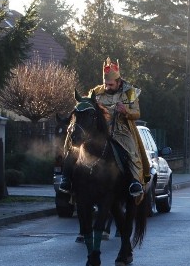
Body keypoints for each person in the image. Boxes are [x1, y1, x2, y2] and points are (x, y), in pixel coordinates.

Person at [59, 58, 150, 198]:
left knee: (132, 152)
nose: (107, 86)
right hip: (98, 130)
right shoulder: (96, 91)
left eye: (110, 84)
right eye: (105, 83)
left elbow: (137, 113)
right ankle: (66, 180)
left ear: (118, 82)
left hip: (120, 130)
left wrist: (125, 111)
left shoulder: (130, 92)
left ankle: (134, 182)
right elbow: (87, 104)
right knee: (74, 146)